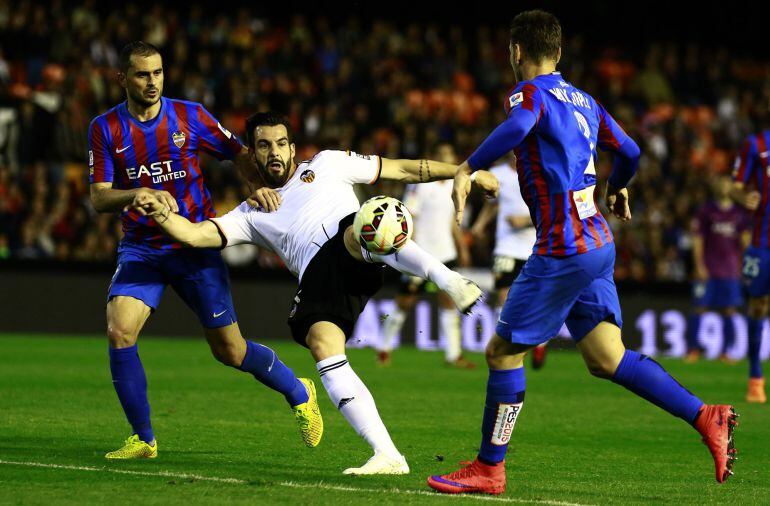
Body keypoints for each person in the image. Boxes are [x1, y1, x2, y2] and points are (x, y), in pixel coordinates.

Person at [428, 11, 738, 495]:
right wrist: (618, 187)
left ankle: (490, 468)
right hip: (597, 243)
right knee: (606, 359)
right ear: (560, 52)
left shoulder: (530, 93)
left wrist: (469, 165)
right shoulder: (586, 102)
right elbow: (631, 151)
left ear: (516, 51)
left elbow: (520, 125)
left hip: (562, 249)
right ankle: (706, 416)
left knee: (501, 351)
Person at [129, 111, 498, 475]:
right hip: (321, 281)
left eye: (280, 144)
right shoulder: (252, 212)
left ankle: (446, 277)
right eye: (263, 145)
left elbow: (403, 170)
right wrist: (158, 214)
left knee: (367, 222)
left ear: (293, 149)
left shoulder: (328, 164)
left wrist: (466, 170)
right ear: (252, 155)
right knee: (324, 349)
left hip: (353, 243)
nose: (273, 152)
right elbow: (195, 235)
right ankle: (388, 455)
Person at [88, 42, 322, 459]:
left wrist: (260, 189)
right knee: (119, 330)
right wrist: (136, 193)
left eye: (158, 73)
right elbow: (100, 197)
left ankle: (297, 388)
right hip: (142, 248)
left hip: (195, 245)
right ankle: (143, 439)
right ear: (122, 78)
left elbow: (239, 153)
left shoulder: (190, 116)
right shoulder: (105, 128)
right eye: (142, 74)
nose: (152, 82)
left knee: (229, 351)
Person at [376, 142, 475, 368]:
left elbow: (451, 222)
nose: (446, 158)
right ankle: (383, 347)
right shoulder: (420, 186)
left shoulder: (454, 184)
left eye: (449, 155)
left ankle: (453, 355)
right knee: (405, 302)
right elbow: (409, 216)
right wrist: (411, 248)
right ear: (435, 158)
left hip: (446, 252)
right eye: (441, 155)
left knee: (449, 301)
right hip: (421, 253)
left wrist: (462, 247)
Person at [471, 156, 546, 369]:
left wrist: (525, 221)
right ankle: (504, 345)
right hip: (506, 247)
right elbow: (493, 205)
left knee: (536, 300)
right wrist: (480, 225)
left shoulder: (540, 170)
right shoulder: (498, 173)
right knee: (503, 295)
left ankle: (540, 343)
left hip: (535, 246)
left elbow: (551, 210)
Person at [685, 175, 749, 364]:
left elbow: (745, 242)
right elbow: (698, 240)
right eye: (720, 181)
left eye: (727, 182)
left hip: (730, 271)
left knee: (730, 310)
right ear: (715, 185)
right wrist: (699, 265)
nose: (723, 185)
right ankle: (693, 350)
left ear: (731, 187)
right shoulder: (706, 211)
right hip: (708, 270)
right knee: (699, 307)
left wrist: (742, 266)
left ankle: (726, 352)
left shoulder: (739, 214)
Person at [731, 129, 770, 403]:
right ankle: (755, 377)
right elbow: (735, 186)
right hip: (762, 241)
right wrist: (742, 197)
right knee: (758, 305)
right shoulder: (755, 144)